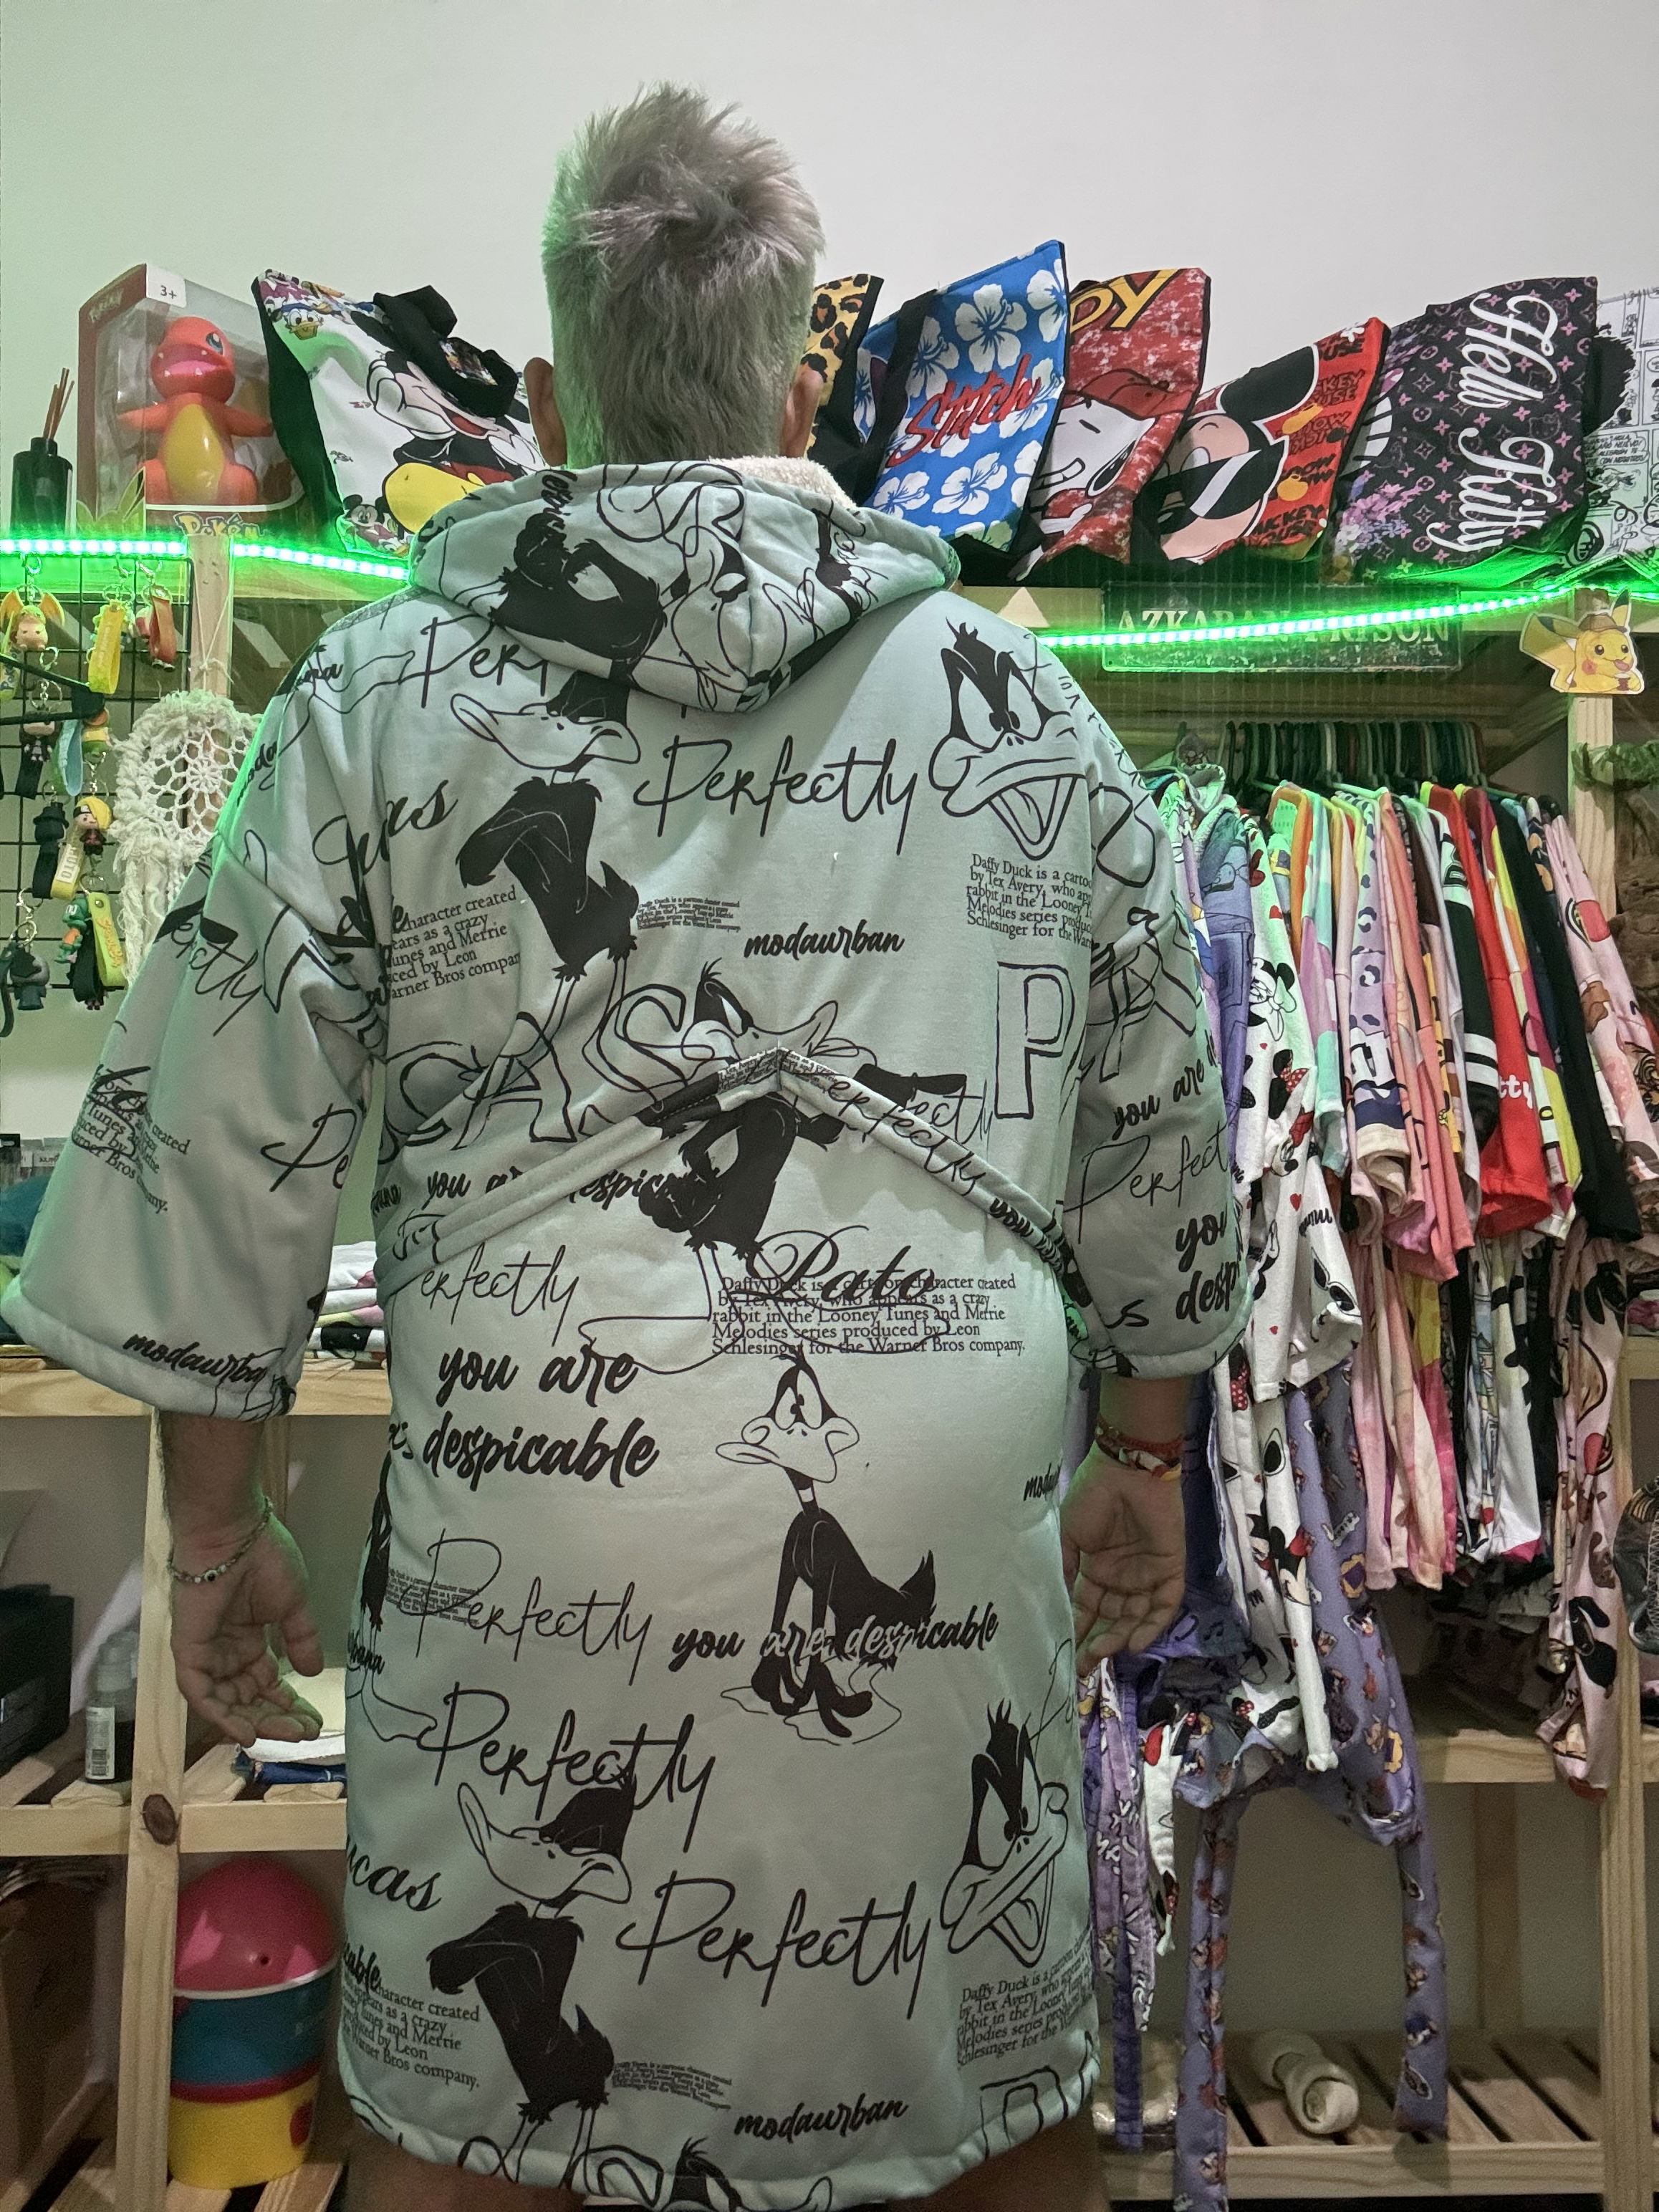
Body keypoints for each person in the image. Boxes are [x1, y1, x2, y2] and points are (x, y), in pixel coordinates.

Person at [5, 86, 1246, 2212]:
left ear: (555, 395)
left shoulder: (371, 705)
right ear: (800, 386)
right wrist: (1146, 1454)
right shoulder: (1020, 709)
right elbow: (1157, 1124)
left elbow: (213, 1151)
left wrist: (214, 1546)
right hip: (927, 1529)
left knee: (492, 2136)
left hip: (544, 1530)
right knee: (962, 2096)